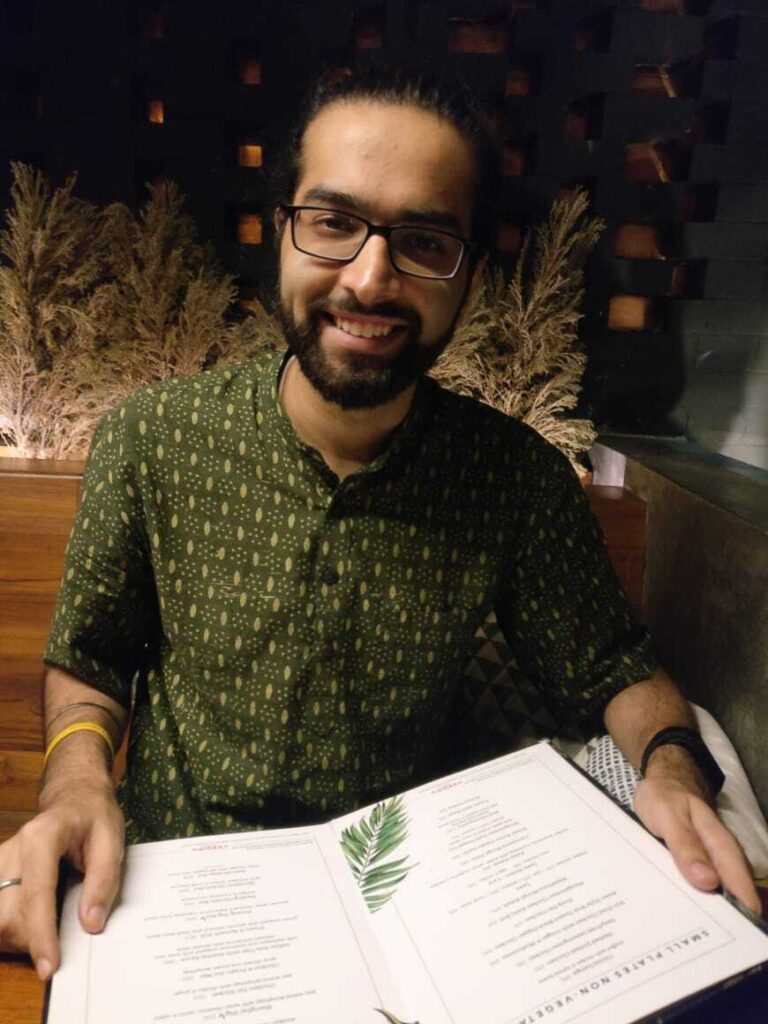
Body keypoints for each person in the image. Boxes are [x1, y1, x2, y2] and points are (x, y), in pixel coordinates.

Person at [0, 68, 759, 981]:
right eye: (332, 223)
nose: (369, 279)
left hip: (411, 908)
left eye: (424, 240)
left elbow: (614, 668)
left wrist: (672, 764)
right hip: (175, 898)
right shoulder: (151, 441)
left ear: (469, 273)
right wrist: (77, 781)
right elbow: (90, 658)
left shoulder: (513, 481)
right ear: (279, 231)